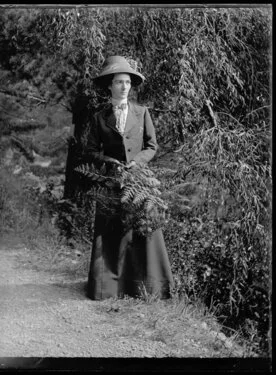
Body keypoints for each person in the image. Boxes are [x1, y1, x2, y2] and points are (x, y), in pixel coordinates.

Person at [86, 55, 174, 300]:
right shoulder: (99, 117)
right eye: (119, 82)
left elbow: (152, 146)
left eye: (127, 82)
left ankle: (150, 288)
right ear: (109, 85)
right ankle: (108, 288)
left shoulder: (141, 112)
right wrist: (109, 163)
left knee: (144, 232)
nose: (124, 86)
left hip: (138, 182)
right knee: (110, 233)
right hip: (111, 182)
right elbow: (91, 150)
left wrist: (138, 162)